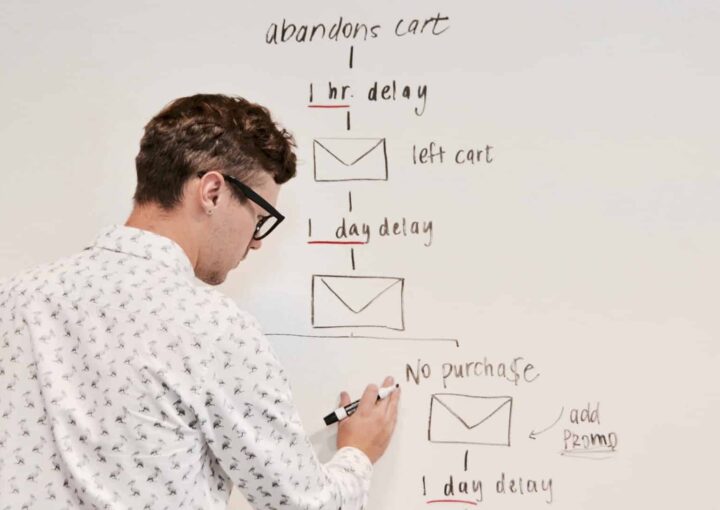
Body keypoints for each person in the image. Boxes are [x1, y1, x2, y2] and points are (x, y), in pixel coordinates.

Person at [0, 94, 400, 509]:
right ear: (212, 191)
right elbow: (303, 505)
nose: (256, 243)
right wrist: (359, 454)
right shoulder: (214, 328)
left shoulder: (14, 299)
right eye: (260, 219)